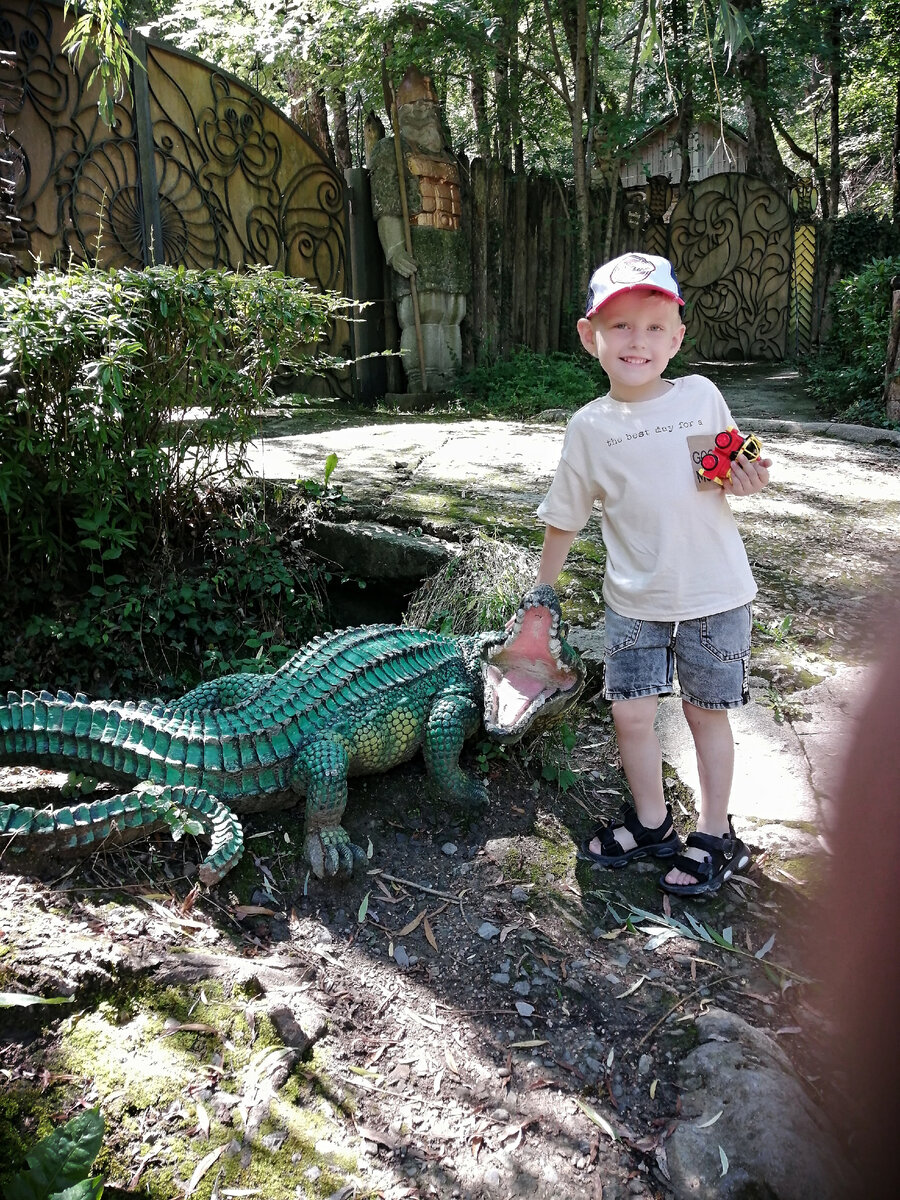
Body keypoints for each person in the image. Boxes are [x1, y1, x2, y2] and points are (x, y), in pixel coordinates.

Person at [534, 252, 772, 896]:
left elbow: (732, 470)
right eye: (620, 326)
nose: (637, 340)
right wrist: (541, 594)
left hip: (713, 593)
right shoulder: (589, 427)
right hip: (633, 601)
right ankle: (652, 824)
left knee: (705, 713)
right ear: (591, 338)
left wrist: (751, 477)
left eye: (653, 326)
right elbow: (565, 516)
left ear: (676, 337)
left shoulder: (700, 396)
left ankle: (717, 834)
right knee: (631, 716)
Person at [368, 66, 471, 392]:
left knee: (452, 310)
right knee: (421, 311)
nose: (424, 111)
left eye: (428, 105)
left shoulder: (446, 155)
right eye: (416, 105)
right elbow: (387, 203)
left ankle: (449, 379)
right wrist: (395, 248)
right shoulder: (391, 150)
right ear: (402, 110)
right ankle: (423, 379)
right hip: (418, 242)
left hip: (449, 245)